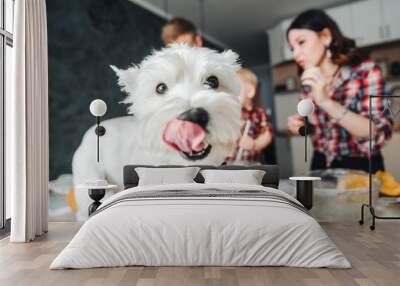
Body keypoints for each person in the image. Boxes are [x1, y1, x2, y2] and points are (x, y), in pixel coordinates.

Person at [286, 9, 393, 173]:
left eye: (301, 42)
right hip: (321, 163)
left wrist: (326, 102)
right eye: (292, 47)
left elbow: (375, 132)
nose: (295, 54)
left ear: (326, 37)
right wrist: (304, 126)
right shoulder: (308, 80)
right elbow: (321, 128)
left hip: (362, 166)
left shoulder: (366, 72)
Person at [225, 68, 273, 165]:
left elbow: (267, 135)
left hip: (251, 163)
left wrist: (255, 145)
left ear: (250, 92)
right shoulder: (228, 113)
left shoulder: (258, 113)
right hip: (229, 163)